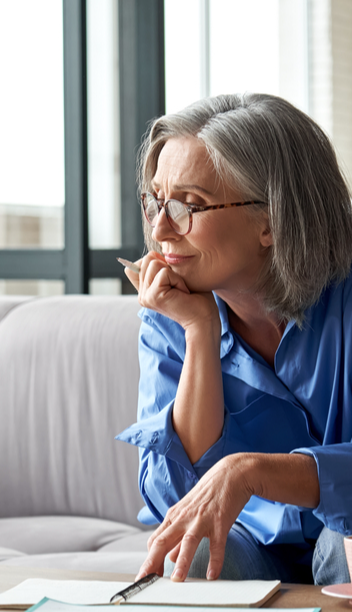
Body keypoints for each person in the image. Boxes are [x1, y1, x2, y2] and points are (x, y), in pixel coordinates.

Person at [115, 93, 352, 586]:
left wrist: (249, 470)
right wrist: (200, 332)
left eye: (189, 206)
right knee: (194, 550)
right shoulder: (172, 314)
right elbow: (172, 498)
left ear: (271, 220)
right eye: (156, 201)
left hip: (344, 533)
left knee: (344, 539)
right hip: (250, 540)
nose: (161, 228)